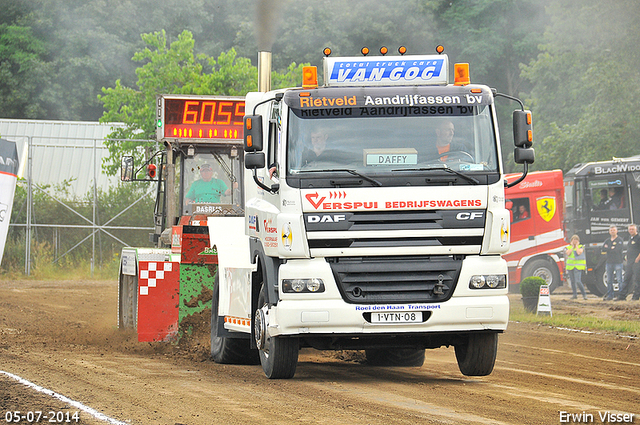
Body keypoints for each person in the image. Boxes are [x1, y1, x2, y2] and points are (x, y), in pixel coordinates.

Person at [616, 223, 640, 301]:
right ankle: (622, 296)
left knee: (637, 279)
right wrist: (626, 256)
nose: (631, 231)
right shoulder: (630, 238)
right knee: (626, 278)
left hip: (636, 262)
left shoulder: (638, 238)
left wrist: (637, 258)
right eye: (630, 229)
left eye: (632, 229)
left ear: (636, 230)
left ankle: (636, 297)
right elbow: (630, 249)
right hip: (629, 262)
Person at [602, 225, 624, 300]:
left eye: (614, 230)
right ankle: (610, 296)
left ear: (617, 231)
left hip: (618, 262)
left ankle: (621, 296)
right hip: (609, 262)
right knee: (609, 280)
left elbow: (617, 250)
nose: (612, 232)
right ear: (609, 232)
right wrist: (610, 248)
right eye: (611, 230)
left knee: (619, 279)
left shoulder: (619, 240)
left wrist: (608, 248)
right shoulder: (607, 240)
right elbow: (603, 249)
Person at [565, 235, 587, 300]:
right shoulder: (568, 247)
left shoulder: (581, 247)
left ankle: (584, 294)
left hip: (578, 267)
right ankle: (574, 295)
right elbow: (568, 253)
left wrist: (576, 246)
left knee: (578, 281)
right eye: (573, 240)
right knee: (572, 281)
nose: (574, 241)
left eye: (576, 240)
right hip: (570, 267)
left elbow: (579, 252)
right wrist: (572, 247)